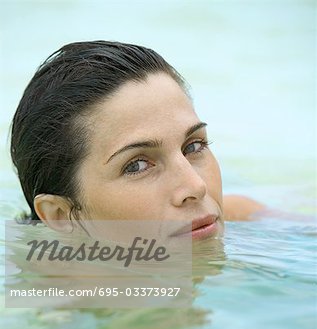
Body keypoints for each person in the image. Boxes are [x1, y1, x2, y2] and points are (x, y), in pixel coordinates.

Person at [10, 40, 265, 240]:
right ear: (61, 216)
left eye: (193, 146)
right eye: (137, 165)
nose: (196, 187)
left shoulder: (248, 219)